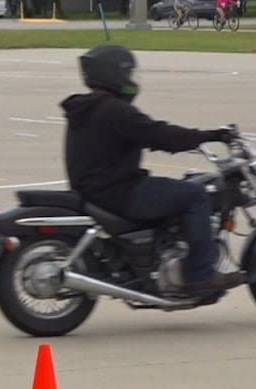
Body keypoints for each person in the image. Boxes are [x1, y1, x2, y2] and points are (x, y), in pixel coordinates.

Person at [62, 45, 244, 295]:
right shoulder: (114, 110)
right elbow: (160, 135)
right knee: (195, 195)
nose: (131, 79)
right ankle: (200, 275)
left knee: (178, 191)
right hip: (121, 192)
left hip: (98, 190)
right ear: (114, 74)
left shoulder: (85, 109)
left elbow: (145, 135)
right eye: (128, 73)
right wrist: (210, 135)